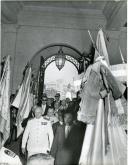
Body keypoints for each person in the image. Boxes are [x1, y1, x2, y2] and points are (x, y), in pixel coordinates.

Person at [78, 54, 127, 165]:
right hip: (98, 106)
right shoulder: (94, 71)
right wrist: (102, 93)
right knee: (97, 131)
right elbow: (89, 92)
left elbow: (116, 90)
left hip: (107, 105)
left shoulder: (100, 71)